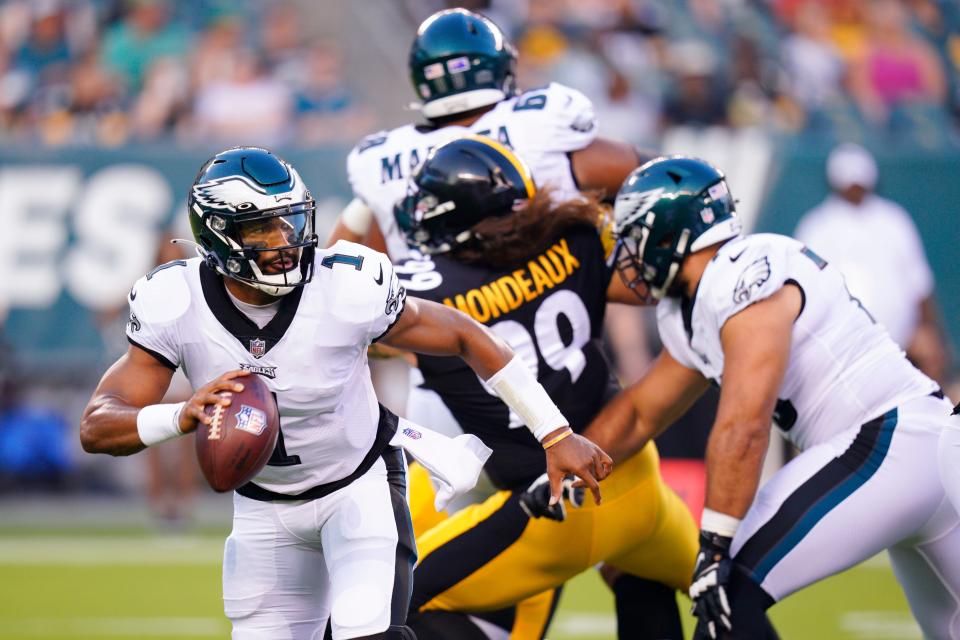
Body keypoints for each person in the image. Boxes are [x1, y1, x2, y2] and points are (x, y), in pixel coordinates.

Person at [78, 147, 611, 640]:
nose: (286, 237)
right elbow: (99, 424)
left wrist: (556, 432)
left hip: (357, 487)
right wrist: (180, 415)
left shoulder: (345, 285)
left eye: (289, 218)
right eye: (264, 227)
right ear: (220, 235)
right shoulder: (175, 300)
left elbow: (466, 335)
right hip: (264, 509)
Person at [581, 155, 960, 639]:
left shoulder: (743, 274)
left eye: (635, 236)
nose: (628, 254)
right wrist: (563, 464)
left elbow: (744, 424)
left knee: (726, 597)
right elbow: (639, 413)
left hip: (885, 441)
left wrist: (716, 546)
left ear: (669, 234)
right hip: (924, 447)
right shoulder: (694, 305)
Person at [392, 136, 698, 640]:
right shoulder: (576, 240)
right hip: (636, 475)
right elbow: (651, 285)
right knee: (699, 587)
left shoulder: (428, 290)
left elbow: (352, 331)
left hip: (554, 503)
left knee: (396, 599)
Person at [794, 142, 949, 383]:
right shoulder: (817, 225)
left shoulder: (893, 219)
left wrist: (931, 330)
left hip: (900, 338)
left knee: (930, 353)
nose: (855, 189)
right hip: (840, 345)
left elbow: (919, 283)